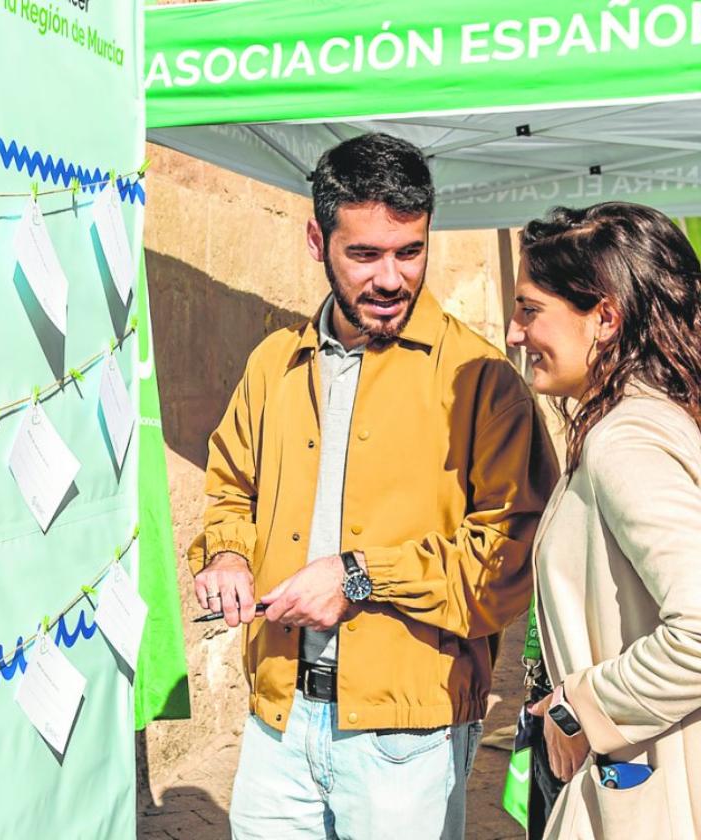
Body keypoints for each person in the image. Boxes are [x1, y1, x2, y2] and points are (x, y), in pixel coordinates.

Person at [188, 131, 559, 839]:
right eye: (364, 254)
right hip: (276, 719)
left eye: (410, 251)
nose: (391, 277)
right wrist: (228, 553)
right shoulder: (273, 363)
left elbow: (509, 564)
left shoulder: (485, 383)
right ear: (315, 240)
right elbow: (230, 485)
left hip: (408, 737)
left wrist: (359, 577)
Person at [506, 202, 701, 838]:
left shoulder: (627, 442)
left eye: (530, 309)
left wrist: (580, 709)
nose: (514, 332)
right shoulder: (642, 420)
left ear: (606, 318)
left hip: (652, 792)